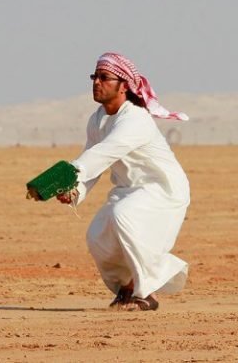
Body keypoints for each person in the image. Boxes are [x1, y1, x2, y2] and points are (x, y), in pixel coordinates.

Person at [58, 52, 190, 311]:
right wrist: (75, 191)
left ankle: (146, 292)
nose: (97, 82)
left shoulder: (136, 119)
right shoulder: (97, 119)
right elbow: (93, 163)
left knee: (124, 217)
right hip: (128, 190)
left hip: (162, 189)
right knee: (97, 235)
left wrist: (66, 175)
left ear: (124, 85)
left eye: (105, 77)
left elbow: (104, 153)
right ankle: (126, 288)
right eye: (94, 76)